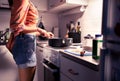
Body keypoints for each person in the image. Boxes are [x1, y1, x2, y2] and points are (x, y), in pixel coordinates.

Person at [7, 0, 54, 81]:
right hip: (25, 45)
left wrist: (44, 33)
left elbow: (25, 30)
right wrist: (40, 30)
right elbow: (17, 27)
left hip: (25, 44)